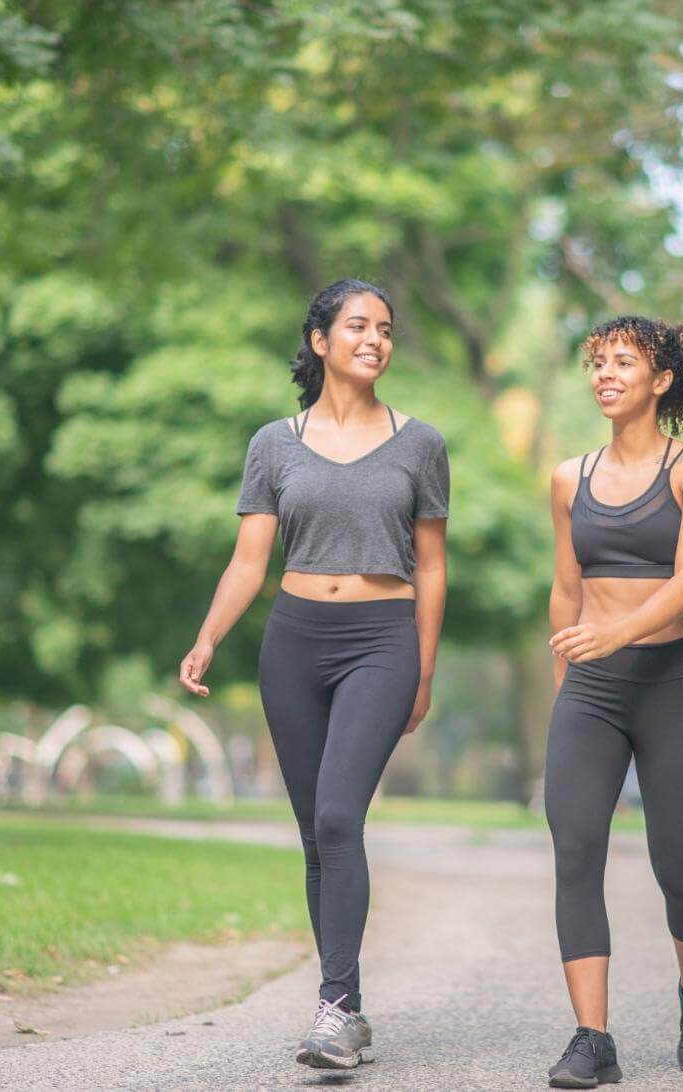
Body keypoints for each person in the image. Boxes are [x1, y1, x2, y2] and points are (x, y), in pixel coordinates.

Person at [178, 278, 448, 1071]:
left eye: (387, 329)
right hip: (294, 641)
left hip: (382, 639)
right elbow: (249, 560)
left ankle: (332, 1012)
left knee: (338, 817)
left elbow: (431, 567)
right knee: (314, 837)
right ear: (321, 340)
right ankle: (347, 1009)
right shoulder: (273, 444)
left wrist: (423, 669)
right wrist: (207, 639)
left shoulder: (420, 442)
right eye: (358, 325)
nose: (375, 339)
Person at [543, 315, 683, 1085]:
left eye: (625, 362)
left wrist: (614, 634)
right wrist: (568, 690)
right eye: (598, 363)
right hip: (592, 691)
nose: (607, 374)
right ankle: (593, 1038)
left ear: (660, 381)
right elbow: (565, 589)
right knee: (577, 850)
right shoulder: (566, 478)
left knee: (678, 868)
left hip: (674, 685)